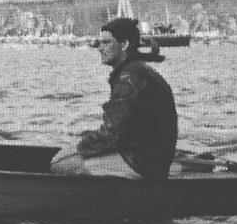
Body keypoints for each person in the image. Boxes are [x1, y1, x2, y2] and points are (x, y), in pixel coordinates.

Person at [50, 17, 178, 180]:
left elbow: (111, 134)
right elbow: (123, 128)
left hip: (143, 163)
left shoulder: (129, 78)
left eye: (106, 43)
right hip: (150, 158)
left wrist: (80, 145)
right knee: (71, 153)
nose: (100, 48)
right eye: (99, 43)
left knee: (60, 163)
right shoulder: (137, 70)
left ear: (124, 45)